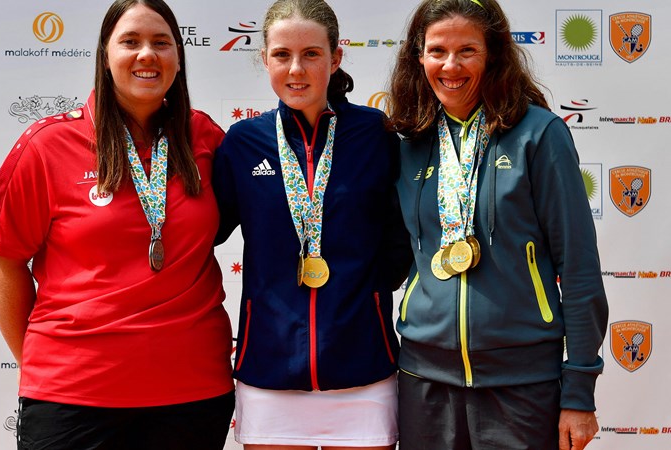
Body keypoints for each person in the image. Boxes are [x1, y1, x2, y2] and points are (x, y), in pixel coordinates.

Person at [0, 1, 234, 448]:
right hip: (73, 395)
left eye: (161, 43)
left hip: (193, 392)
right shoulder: (47, 146)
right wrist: (42, 364)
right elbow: (4, 260)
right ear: (104, 54)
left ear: (179, 56)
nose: (147, 55)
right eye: (130, 42)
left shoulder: (205, 136)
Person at [387, 0, 609, 449]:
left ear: (494, 55)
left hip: (522, 384)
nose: (451, 66)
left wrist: (580, 392)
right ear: (419, 58)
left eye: (467, 50)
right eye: (437, 51)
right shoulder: (408, 142)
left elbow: (580, 266)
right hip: (424, 382)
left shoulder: (539, 135)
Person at [213, 0, 411, 448]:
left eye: (312, 54)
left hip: (363, 366)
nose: (296, 69)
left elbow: (399, 234)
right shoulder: (243, 143)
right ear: (264, 58)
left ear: (336, 57)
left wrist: (368, 296)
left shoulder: (375, 134)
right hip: (269, 368)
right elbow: (206, 230)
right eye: (282, 54)